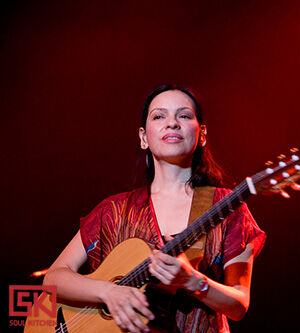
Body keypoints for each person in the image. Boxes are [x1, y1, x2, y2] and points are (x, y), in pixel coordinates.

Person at [43, 84, 266, 333]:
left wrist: (193, 280)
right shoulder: (112, 210)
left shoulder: (229, 208)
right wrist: (109, 292)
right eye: (159, 116)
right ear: (143, 137)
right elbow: (54, 277)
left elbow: (239, 305)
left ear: (202, 134)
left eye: (184, 115)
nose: (172, 123)